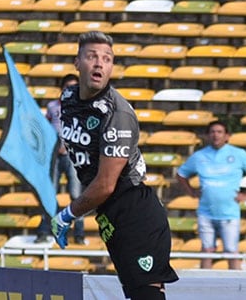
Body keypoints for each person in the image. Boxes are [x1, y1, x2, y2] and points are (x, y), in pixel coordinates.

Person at [51, 31, 178, 300]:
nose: (99, 63)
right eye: (92, 56)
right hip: (107, 213)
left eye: (107, 59)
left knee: (146, 295)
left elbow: (106, 184)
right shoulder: (68, 98)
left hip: (134, 211)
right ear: (77, 62)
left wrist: (67, 214)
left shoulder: (116, 113)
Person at [175, 120, 246, 269]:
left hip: (229, 212)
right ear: (208, 136)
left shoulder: (238, 154)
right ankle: (203, 288)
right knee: (206, 251)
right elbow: (181, 174)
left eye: (219, 132)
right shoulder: (200, 156)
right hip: (206, 211)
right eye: (212, 132)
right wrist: (191, 191)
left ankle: (236, 285)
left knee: (231, 251)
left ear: (227, 136)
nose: (216, 135)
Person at [35, 74, 85, 245]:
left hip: (73, 157)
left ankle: (79, 233)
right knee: (50, 193)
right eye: (67, 87)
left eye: (73, 87)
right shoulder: (52, 106)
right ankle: (44, 229)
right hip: (54, 157)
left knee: (76, 195)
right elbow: (44, 128)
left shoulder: (82, 107)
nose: (69, 90)